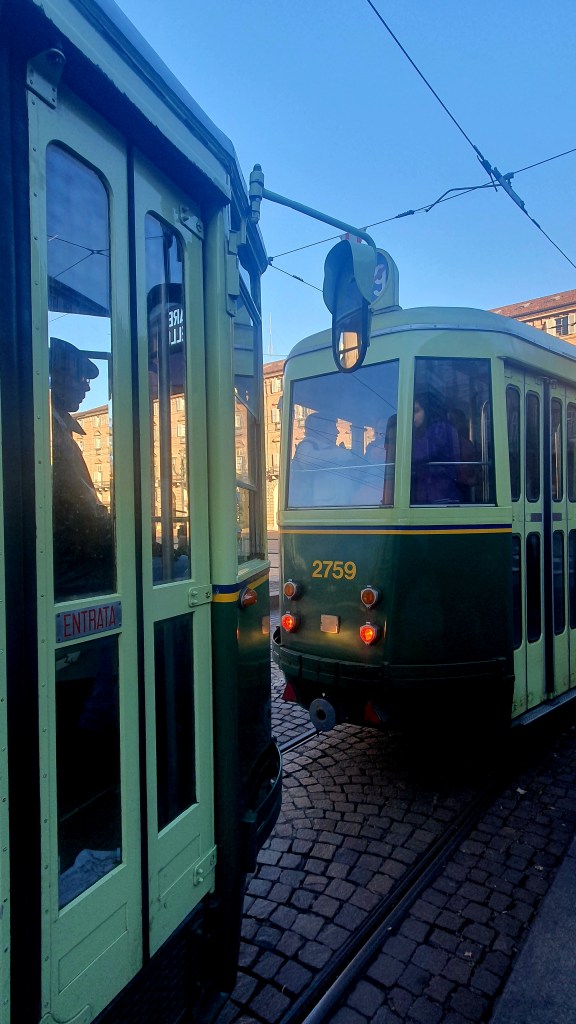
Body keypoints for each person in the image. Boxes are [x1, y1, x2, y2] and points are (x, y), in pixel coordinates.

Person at [50, 337, 114, 600]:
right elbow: (82, 507)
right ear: (56, 376)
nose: (87, 388)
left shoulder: (59, 425)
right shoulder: (51, 430)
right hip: (69, 564)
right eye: (81, 378)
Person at [289, 412, 355, 507]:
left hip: (343, 507)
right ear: (321, 429)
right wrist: (340, 454)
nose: (337, 432)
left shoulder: (334, 449)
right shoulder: (308, 445)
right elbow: (307, 461)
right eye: (333, 427)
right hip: (320, 509)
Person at [411, 392, 460, 504]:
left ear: (427, 411)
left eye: (416, 411)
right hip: (424, 496)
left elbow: (420, 455)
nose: (412, 417)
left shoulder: (441, 429)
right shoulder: (420, 432)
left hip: (442, 496)